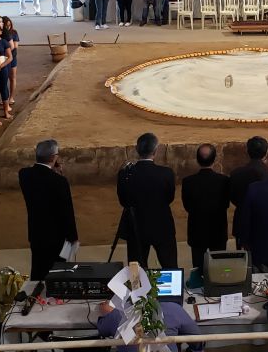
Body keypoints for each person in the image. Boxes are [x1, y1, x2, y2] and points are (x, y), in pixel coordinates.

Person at [18, 140, 78, 280]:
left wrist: (52, 169)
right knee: (58, 272)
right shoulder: (60, 182)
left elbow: (36, 172)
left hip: (36, 233)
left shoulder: (24, 175)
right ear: (53, 158)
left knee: (38, 269)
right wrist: (73, 237)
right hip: (56, 237)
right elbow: (67, 213)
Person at [117, 133, 178, 269]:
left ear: (137, 149)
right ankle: (172, 290)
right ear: (155, 151)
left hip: (136, 226)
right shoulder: (166, 173)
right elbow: (169, 198)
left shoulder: (125, 173)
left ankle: (137, 290)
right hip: (162, 226)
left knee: (136, 271)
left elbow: (123, 201)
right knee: (170, 266)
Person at [181, 144, 230, 271]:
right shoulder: (224, 181)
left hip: (197, 230)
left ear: (197, 160)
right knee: (219, 269)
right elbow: (226, 204)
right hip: (218, 231)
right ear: (214, 160)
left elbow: (187, 206)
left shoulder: (188, 182)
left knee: (198, 269)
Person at [98, 299, 203, 351]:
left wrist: (107, 312)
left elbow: (102, 330)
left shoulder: (115, 315)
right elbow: (198, 340)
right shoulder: (173, 309)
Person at [229, 136, 268, 249]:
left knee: (244, 262)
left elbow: (233, 198)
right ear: (266, 152)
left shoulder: (236, 174)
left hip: (242, 221)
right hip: (266, 223)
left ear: (247, 151)